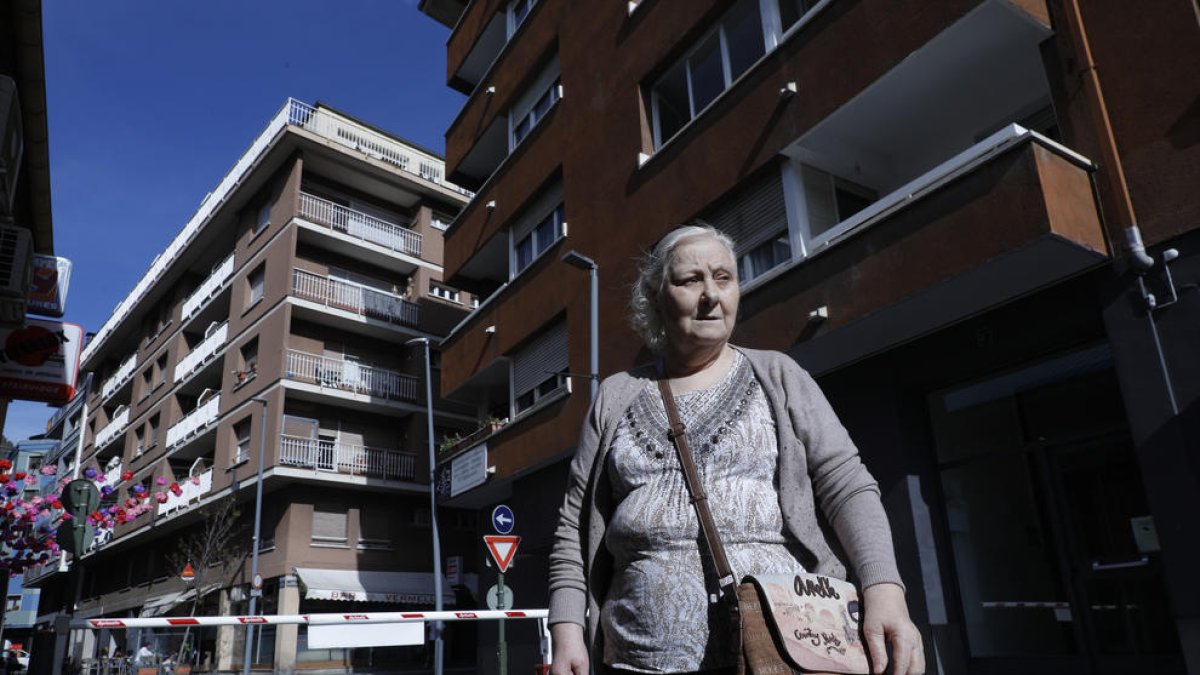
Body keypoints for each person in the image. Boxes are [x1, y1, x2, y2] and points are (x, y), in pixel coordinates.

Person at [548, 224, 925, 675]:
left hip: (782, 654)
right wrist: (566, 630)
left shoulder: (779, 375)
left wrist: (884, 589)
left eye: (723, 278)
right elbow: (574, 527)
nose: (711, 294)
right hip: (639, 659)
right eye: (691, 280)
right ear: (655, 298)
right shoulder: (615, 396)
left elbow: (847, 487)